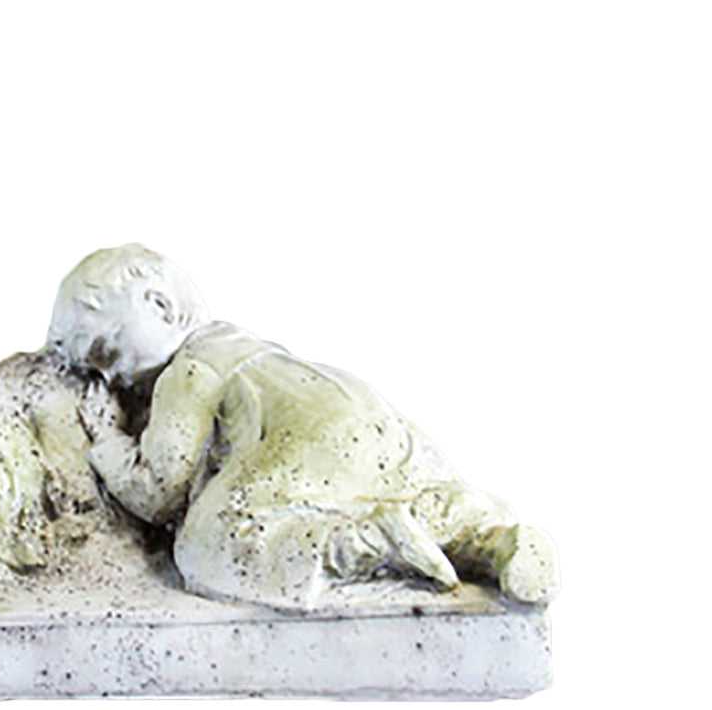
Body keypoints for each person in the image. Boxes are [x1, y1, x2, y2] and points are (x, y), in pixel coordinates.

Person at [48, 243, 560, 611]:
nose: (108, 378)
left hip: (305, 446)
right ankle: (491, 542)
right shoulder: (250, 348)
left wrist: (108, 444)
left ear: (159, 306)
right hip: (365, 413)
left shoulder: (189, 371)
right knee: (415, 490)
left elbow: (158, 490)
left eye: (105, 351)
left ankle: (372, 542)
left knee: (210, 545)